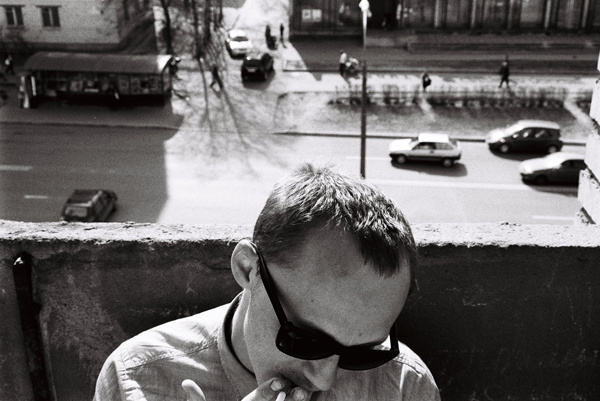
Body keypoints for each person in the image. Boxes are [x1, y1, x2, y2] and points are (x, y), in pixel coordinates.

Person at [94, 163, 441, 401]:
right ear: (249, 269)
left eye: (361, 354)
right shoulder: (137, 379)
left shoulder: (404, 387)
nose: (324, 380)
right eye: (305, 341)